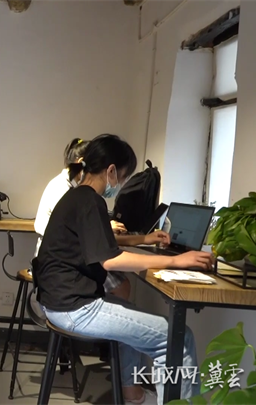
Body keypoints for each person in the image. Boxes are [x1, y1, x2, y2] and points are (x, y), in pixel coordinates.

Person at [34, 134, 212, 404]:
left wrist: (144, 240)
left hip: (58, 301)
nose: (121, 184)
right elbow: (111, 260)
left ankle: (133, 392)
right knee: (178, 339)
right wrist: (177, 261)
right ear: (111, 171)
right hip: (73, 308)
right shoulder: (90, 202)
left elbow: (104, 241)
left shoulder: (77, 197)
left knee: (132, 311)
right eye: (125, 176)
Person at [33, 138, 130, 300]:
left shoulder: (74, 191)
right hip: (60, 271)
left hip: (59, 267)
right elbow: (105, 255)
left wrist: (144, 239)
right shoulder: (68, 191)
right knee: (121, 285)